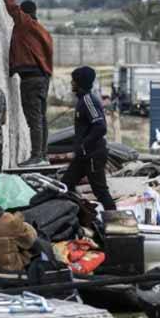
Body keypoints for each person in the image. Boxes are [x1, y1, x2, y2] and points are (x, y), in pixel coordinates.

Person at [0, 0, 54, 167]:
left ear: (25, 13)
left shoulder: (25, 24)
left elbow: (11, 6)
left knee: (33, 118)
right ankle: (43, 155)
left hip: (31, 80)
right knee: (41, 118)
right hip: (43, 79)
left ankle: (36, 155)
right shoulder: (42, 31)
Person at [62, 66, 116, 211]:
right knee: (65, 185)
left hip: (93, 155)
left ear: (79, 82)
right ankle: (74, 215)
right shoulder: (82, 100)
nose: (71, 83)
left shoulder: (88, 100)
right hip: (83, 156)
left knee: (100, 191)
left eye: (73, 80)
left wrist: (83, 146)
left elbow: (100, 126)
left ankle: (116, 220)